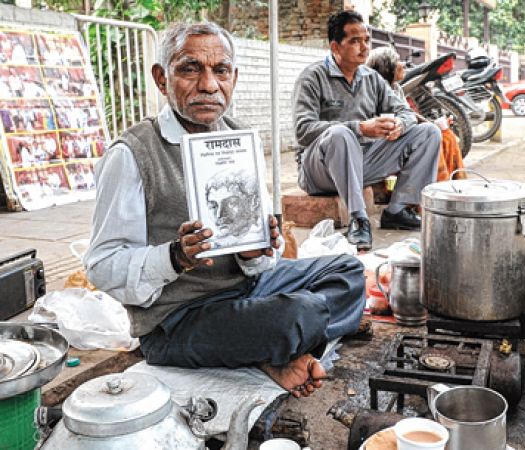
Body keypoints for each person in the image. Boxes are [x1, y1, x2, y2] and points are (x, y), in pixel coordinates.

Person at [84, 22, 365, 397]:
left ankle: (269, 349)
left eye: (221, 70)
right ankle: (276, 345)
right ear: (162, 79)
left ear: (234, 76)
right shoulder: (132, 154)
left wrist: (257, 251)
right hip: (179, 318)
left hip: (247, 291)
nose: (209, 85)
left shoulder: (237, 138)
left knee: (348, 271)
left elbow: (264, 255)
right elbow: (101, 265)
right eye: (189, 68)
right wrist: (174, 257)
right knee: (301, 314)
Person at [293, 10, 441, 251]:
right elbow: (303, 130)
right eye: (354, 41)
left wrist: (399, 125)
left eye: (366, 40)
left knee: (429, 133)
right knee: (342, 134)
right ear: (335, 47)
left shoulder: (372, 78)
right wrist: (360, 128)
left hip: (361, 164)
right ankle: (358, 218)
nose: (363, 47)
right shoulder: (312, 78)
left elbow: (405, 112)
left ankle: (399, 209)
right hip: (318, 171)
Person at [366, 46, 466, 182]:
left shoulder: (396, 88)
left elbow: (409, 114)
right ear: (387, 68)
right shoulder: (377, 92)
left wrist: (433, 124)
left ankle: (452, 186)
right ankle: (435, 187)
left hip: (404, 132)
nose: (402, 64)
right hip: (388, 142)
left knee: (447, 136)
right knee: (433, 138)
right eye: (397, 61)